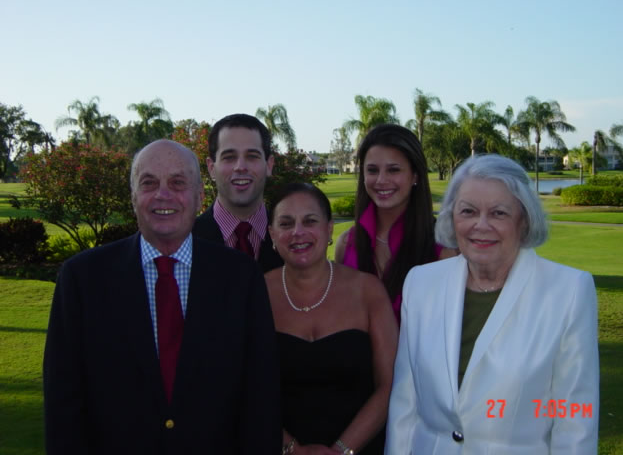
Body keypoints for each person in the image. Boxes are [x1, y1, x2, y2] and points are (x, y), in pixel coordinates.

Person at [43, 139, 281, 454]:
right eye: (149, 183)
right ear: (133, 197)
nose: (163, 194)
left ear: (199, 197)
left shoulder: (241, 276)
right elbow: (63, 400)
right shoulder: (82, 279)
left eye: (178, 183)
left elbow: (261, 394)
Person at [385, 154, 599, 454]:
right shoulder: (421, 284)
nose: (481, 225)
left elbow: (575, 418)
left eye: (498, 213)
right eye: (468, 211)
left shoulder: (568, 291)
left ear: (524, 220)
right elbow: (405, 403)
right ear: (451, 217)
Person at [265, 182, 398, 455]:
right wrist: (292, 449)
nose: (298, 232)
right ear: (272, 234)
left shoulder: (368, 290)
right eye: (286, 223)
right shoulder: (256, 293)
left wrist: (341, 451)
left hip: (361, 448)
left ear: (329, 229)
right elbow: (244, 387)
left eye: (310, 221)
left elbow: (390, 385)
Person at [335, 124, 455, 322]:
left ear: (415, 175)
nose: (381, 180)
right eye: (372, 170)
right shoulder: (347, 244)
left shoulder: (443, 252)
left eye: (393, 170)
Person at [192, 113, 283, 272]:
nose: (241, 167)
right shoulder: (185, 240)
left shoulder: (290, 239)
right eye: (229, 157)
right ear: (211, 167)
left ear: (269, 165)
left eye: (252, 156)